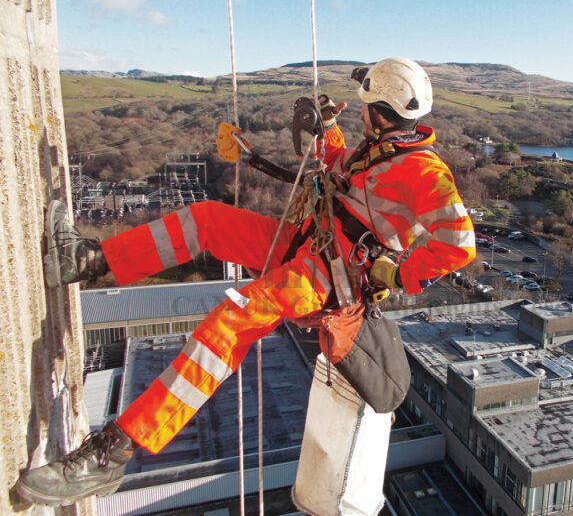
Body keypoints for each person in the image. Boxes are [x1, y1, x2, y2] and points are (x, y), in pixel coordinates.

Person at [14, 57, 476, 506]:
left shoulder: (424, 171)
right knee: (207, 220)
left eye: (364, 106)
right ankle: (89, 260)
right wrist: (327, 131)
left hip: (325, 277)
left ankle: (115, 450)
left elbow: (459, 244)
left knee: (230, 322)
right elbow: (340, 171)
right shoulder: (381, 148)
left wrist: (398, 273)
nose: (360, 111)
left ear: (380, 111)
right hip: (305, 244)